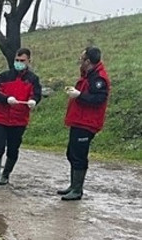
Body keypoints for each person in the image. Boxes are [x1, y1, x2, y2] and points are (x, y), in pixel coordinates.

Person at [59, 46, 110, 201]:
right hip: (79, 121)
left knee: (79, 155)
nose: (80, 61)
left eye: (82, 58)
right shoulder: (88, 76)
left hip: (87, 123)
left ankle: (77, 190)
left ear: (88, 61)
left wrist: (79, 95)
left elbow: (99, 99)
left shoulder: (98, 78)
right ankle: (73, 185)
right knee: (72, 153)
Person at [0, 48, 42, 189]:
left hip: (19, 120)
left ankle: (5, 175)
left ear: (29, 61)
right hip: (1, 118)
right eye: (17, 60)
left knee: (13, 149)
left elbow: (36, 94)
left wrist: (33, 101)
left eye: (22, 61)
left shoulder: (33, 79)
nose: (19, 63)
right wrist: (6, 99)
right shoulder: (4, 76)